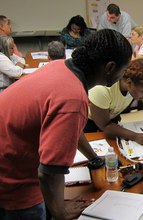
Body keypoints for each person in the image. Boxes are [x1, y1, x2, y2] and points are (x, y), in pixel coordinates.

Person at [0, 29, 132, 219]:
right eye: (124, 69)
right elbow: (49, 172)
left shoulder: (61, 67)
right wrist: (60, 212)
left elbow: (68, 128)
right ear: (110, 67)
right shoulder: (73, 99)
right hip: (12, 182)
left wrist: (93, 157)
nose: (123, 75)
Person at [84, 59, 143, 145]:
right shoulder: (103, 90)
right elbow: (105, 125)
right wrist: (135, 136)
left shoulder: (132, 89)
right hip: (89, 124)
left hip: (110, 121)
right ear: (129, 82)